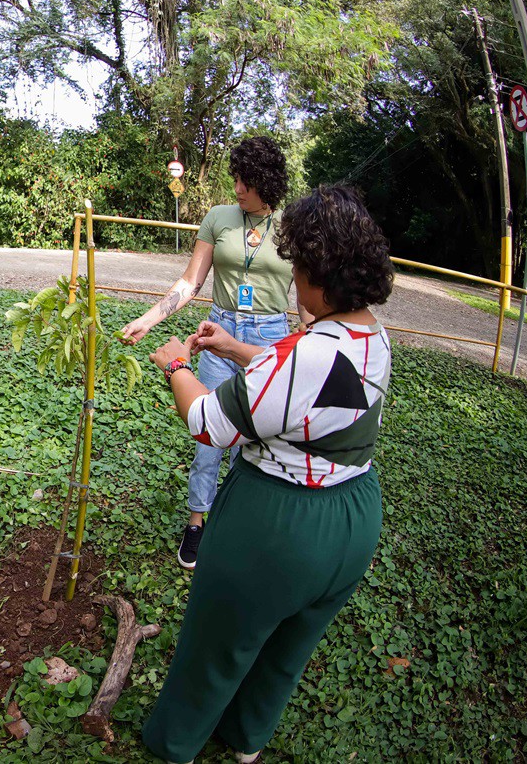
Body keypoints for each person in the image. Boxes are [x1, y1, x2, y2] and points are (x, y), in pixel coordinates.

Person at [140, 184, 394, 763]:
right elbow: (313, 385)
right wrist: (236, 348)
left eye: (300, 265)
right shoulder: (371, 335)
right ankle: (246, 738)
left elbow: (210, 422)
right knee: (287, 649)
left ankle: (175, 743)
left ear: (321, 277)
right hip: (353, 519)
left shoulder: (300, 353)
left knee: (217, 644)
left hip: (280, 525)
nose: (295, 277)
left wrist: (178, 364)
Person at [120, 136, 306, 570]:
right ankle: (197, 521)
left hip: (270, 335)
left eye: (246, 180)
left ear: (268, 181)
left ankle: (240, 521)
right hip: (217, 333)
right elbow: (191, 281)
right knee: (209, 434)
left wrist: (306, 331)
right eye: (236, 178)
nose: (238, 188)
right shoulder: (219, 217)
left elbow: (304, 290)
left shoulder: (292, 226)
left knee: (256, 439)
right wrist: (150, 320)